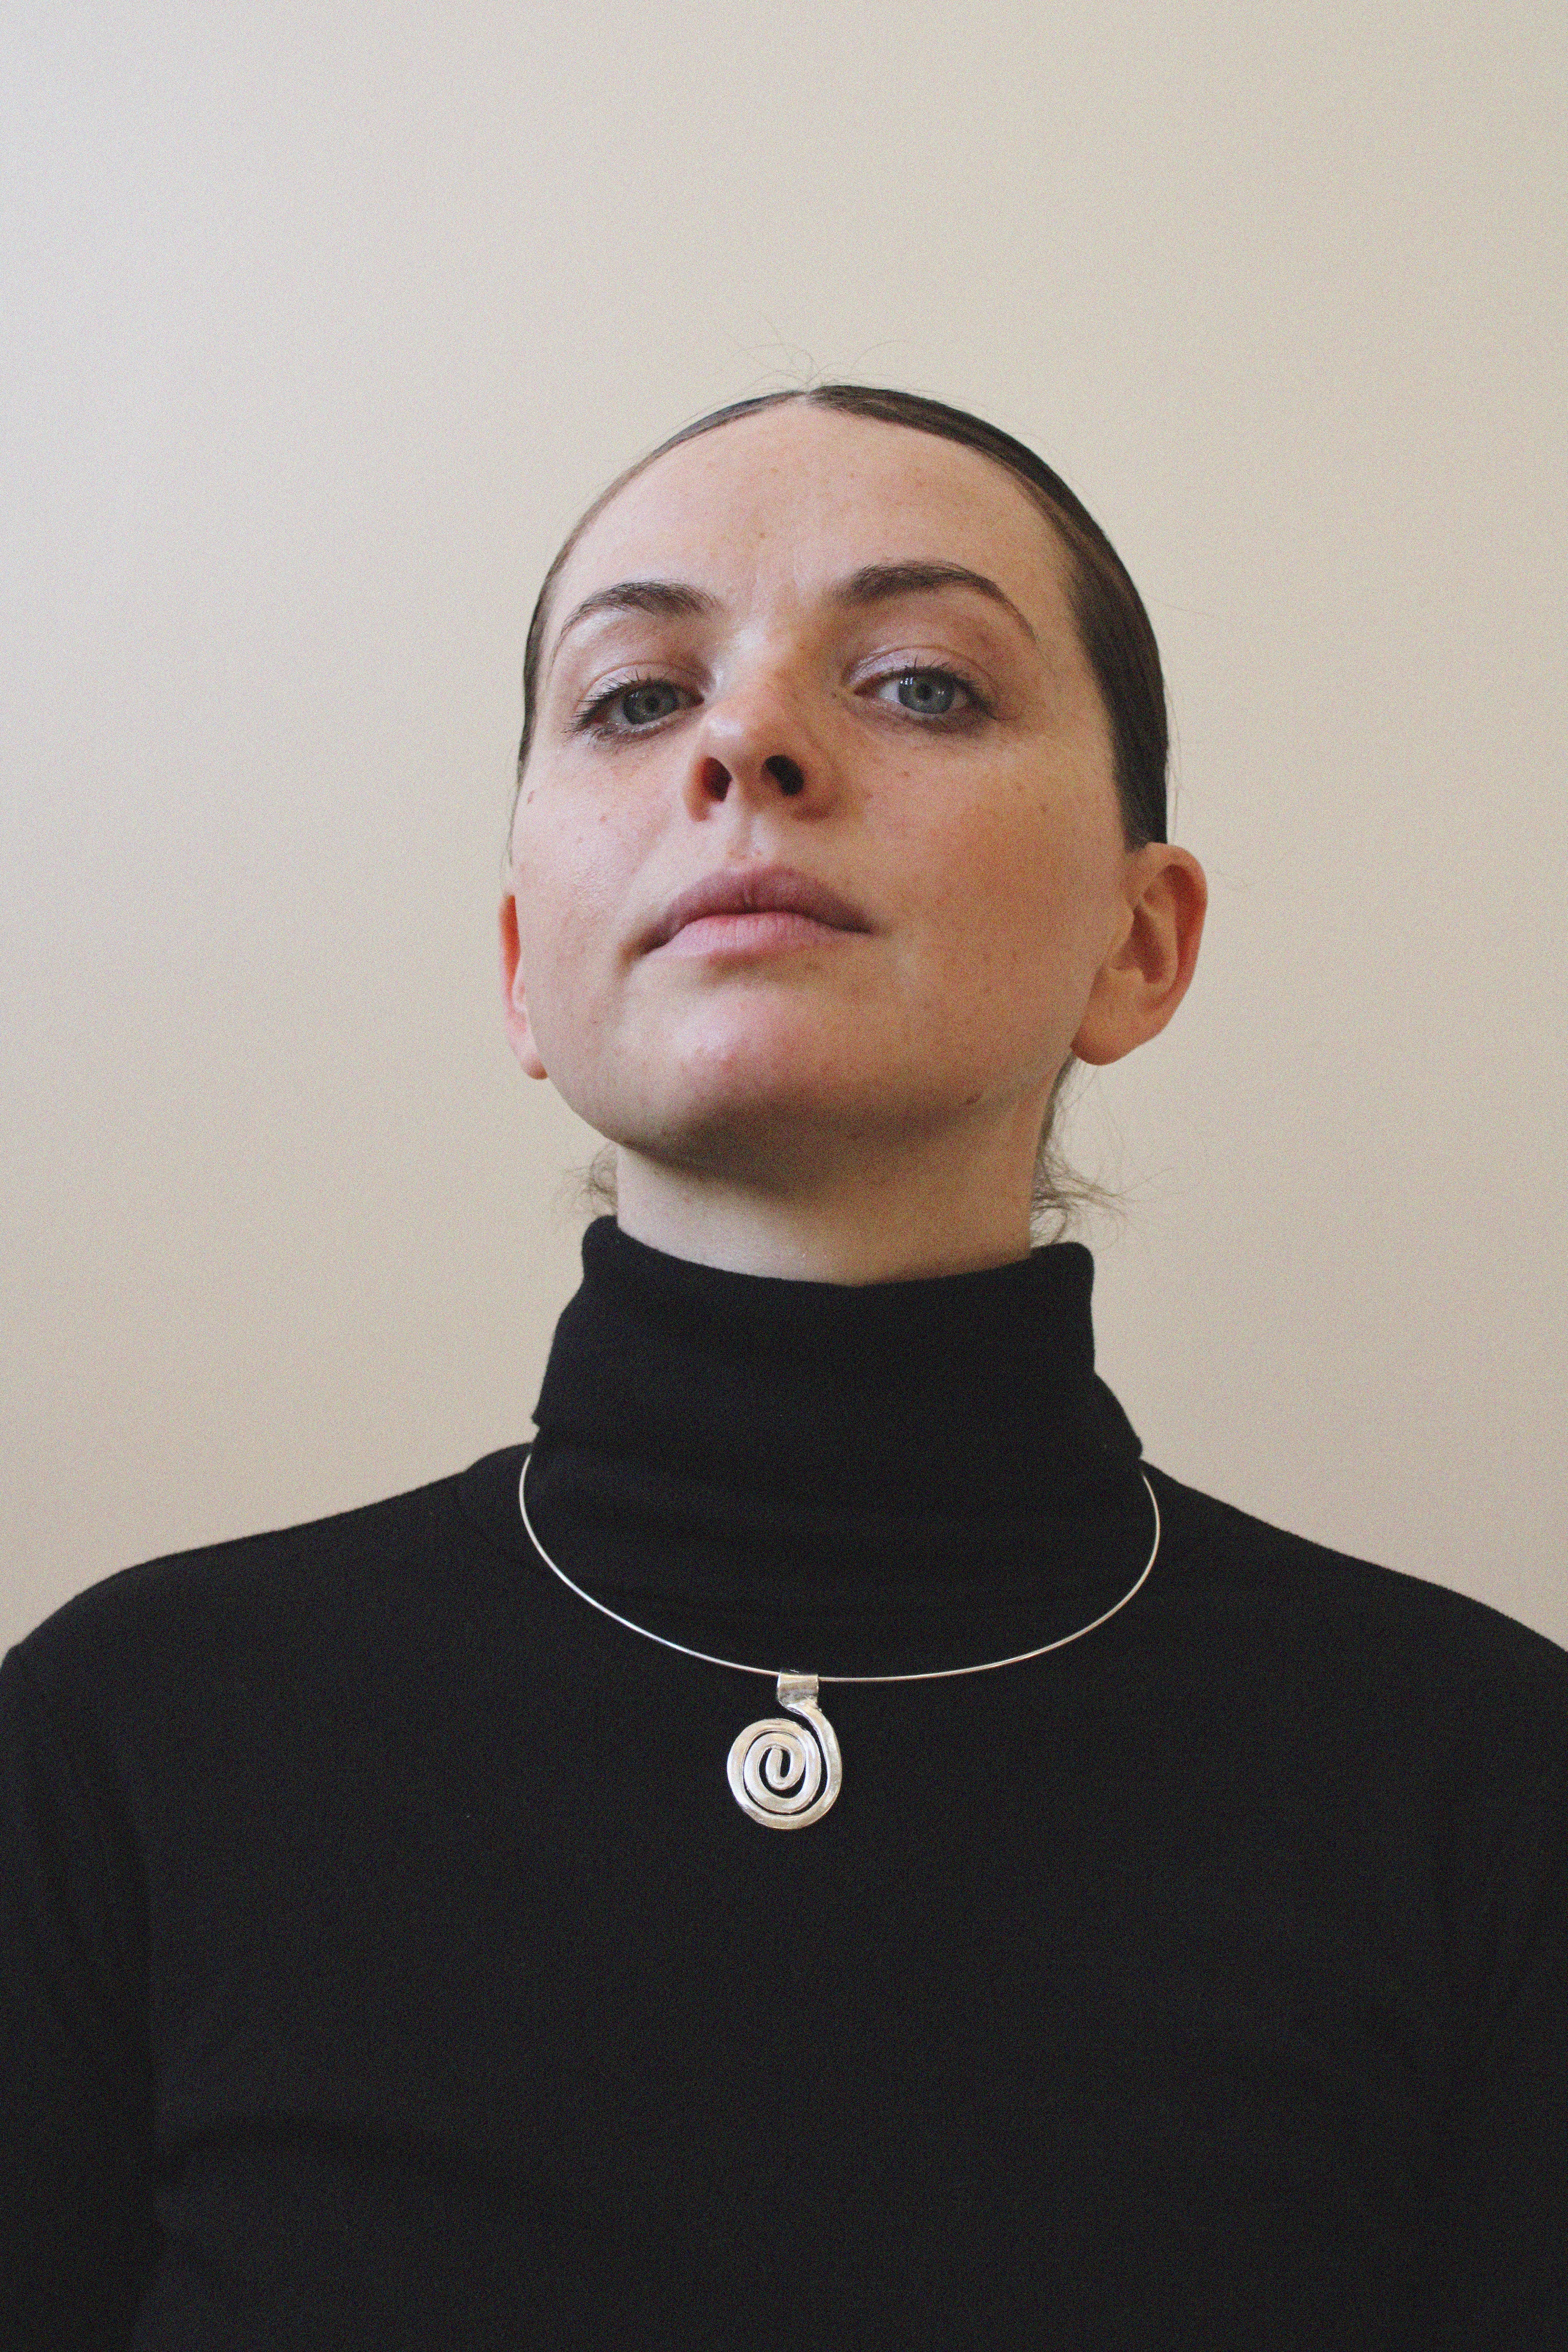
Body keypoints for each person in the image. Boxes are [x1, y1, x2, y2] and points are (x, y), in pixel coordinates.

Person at [3, 385, 1563, 2350]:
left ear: (1141, 942)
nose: (744, 742)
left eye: (921, 683)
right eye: (639, 697)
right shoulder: (118, 1750)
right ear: (522, 965)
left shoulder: (1490, 1792)